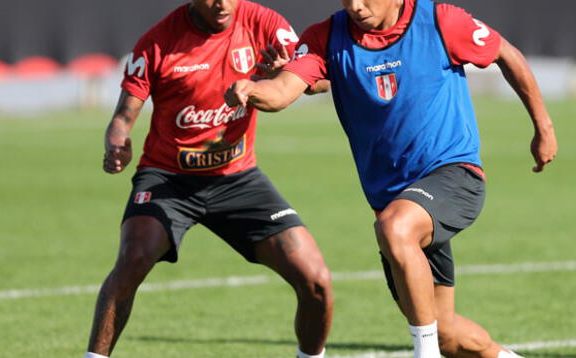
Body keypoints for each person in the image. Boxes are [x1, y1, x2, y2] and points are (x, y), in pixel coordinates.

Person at [224, 0, 558, 357]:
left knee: (394, 229)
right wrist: (252, 89)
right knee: (446, 333)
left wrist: (544, 127)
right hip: (395, 200)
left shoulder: (442, 21)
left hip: (454, 175)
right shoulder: (326, 36)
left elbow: (507, 54)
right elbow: (282, 92)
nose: (355, 6)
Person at [85, 1, 334, 357]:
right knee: (132, 262)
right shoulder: (157, 42)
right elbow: (123, 116)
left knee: (316, 280)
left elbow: (321, 79)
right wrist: (117, 142)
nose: (221, 4)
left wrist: (291, 75)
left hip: (238, 179)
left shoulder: (264, 23)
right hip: (168, 181)